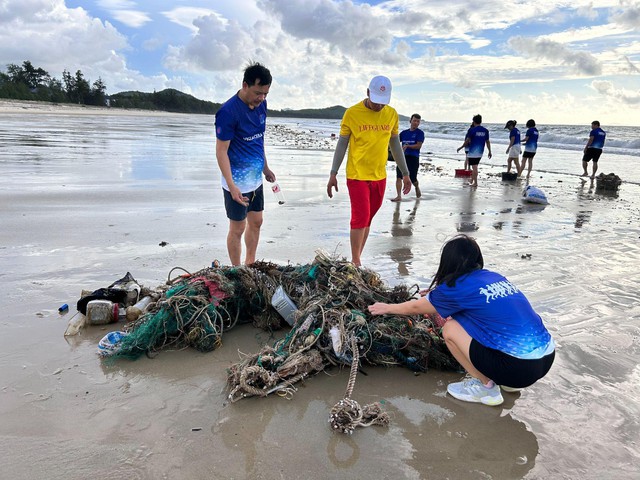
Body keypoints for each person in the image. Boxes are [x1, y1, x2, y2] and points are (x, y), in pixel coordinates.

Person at [368, 234, 555, 406]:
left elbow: (416, 307)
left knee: (450, 329)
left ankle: (486, 388)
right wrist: (437, 296)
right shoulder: (493, 277)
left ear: (448, 262)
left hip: (516, 368)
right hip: (546, 358)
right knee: (485, 322)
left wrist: (387, 307)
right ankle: (509, 385)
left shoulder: (456, 287)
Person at [327, 75, 411, 267]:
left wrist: (405, 173)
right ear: (367, 93)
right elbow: (342, 144)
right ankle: (356, 262)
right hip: (357, 175)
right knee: (360, 217)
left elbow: (395, 145)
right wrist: (333, 173)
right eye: (376, 102)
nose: (379, 106)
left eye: (383, 103)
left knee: (368, 218)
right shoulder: (352, 113)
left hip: (379, 176)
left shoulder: (391, 114)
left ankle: (357, 257)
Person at [215, 62, 275, 266]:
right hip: (237, 183)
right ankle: (236, 269)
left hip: (256, 179)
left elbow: (259, 139)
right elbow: (221, 151)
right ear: (245, 85)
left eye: (265, 93)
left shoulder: (262, 106)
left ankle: (250, 263)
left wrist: (265, 167)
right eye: (258, 92)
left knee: (257, 222)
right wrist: (231, 186)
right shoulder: (228, 112)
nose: (262, 98)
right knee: (237, 227)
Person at [391, 113, 424, 201]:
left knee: (413, 178)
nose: (416, 123)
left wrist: (408, 146)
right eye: (414, 121)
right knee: (399, 176)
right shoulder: (404, 133)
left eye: (418, 121)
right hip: (402, 157)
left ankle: (417, 187)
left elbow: (418, 146)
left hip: (413, 157)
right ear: (410, 121)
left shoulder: (420, 133)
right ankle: (398, 196)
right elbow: (394, 142)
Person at [456, 114, 492, 187]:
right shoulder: (485, 131)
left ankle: (475, 183)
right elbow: (487, 142)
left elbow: (467, 141)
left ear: (474, 121)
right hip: (481, 151)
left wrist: (461, 147)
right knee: (475, 166)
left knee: (474, 167)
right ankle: (472, 180)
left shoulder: (472, 130)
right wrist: (489, 151)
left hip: (472, 151)